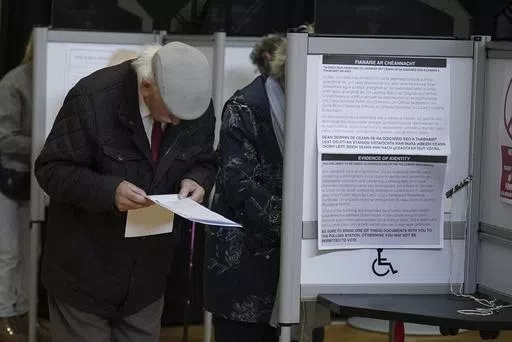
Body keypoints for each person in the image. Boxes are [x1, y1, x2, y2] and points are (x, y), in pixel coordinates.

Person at [34, 41, 217, 341]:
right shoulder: (92, 99)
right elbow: (51, 169)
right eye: (171, 113)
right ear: (147, 87)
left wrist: (198, 179)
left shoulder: (192, 105)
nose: (178, 122)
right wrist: (109, 191)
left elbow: (205, 160)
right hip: (84, 277)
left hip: (147, 280)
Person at [0, 30, 33, 341]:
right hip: (10, 179)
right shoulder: (13, 82)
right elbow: (3, 138)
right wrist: (45, 144)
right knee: (10, 253)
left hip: (37, 182)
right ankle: (6, 315)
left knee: (31, 252)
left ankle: (25, 312)